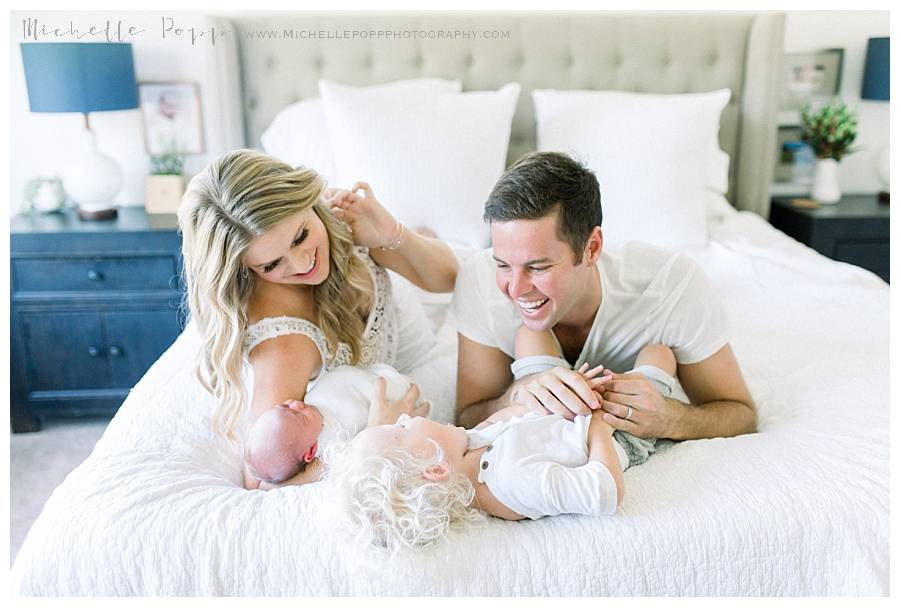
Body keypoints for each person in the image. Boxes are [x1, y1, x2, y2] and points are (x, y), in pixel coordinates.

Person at [177, 149, 456, 489]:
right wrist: (371, 438)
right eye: (271, 265)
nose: (301, 263)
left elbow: (449, 280)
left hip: (417, 331)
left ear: (308, 201)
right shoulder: (284, 344)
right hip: (401, 385)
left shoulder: (336, 217)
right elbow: (263, 484)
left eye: (300, 237)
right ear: (246, 270)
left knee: (446, 254)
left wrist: (389, 230)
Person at [452, 151, 756, 440]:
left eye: (538, 267)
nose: (515, 289)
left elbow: (740, 414)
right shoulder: (478, 281)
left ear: (592, 248)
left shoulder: (670, 287)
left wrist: (671, 419)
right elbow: (468, 415)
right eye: (503, 265)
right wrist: (516, 395)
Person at [327, 343, 677, 554]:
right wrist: (598, 424)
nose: (405, 419)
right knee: (658, 353)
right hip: (621, 431)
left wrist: (567, 393)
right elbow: (604, 492)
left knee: (530, 335)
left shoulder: (471, 448)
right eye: (400, 429)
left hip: (576, 409)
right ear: (435, 469)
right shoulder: (511, 483)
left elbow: (518, 422)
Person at [243, 364, 420, 489]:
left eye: (284, 406)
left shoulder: (306, 410)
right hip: (388, 399)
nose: (296, 404)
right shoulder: (331, 447)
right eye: (300, 417)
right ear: (311, 451)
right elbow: (350, 462)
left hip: (371, 375)